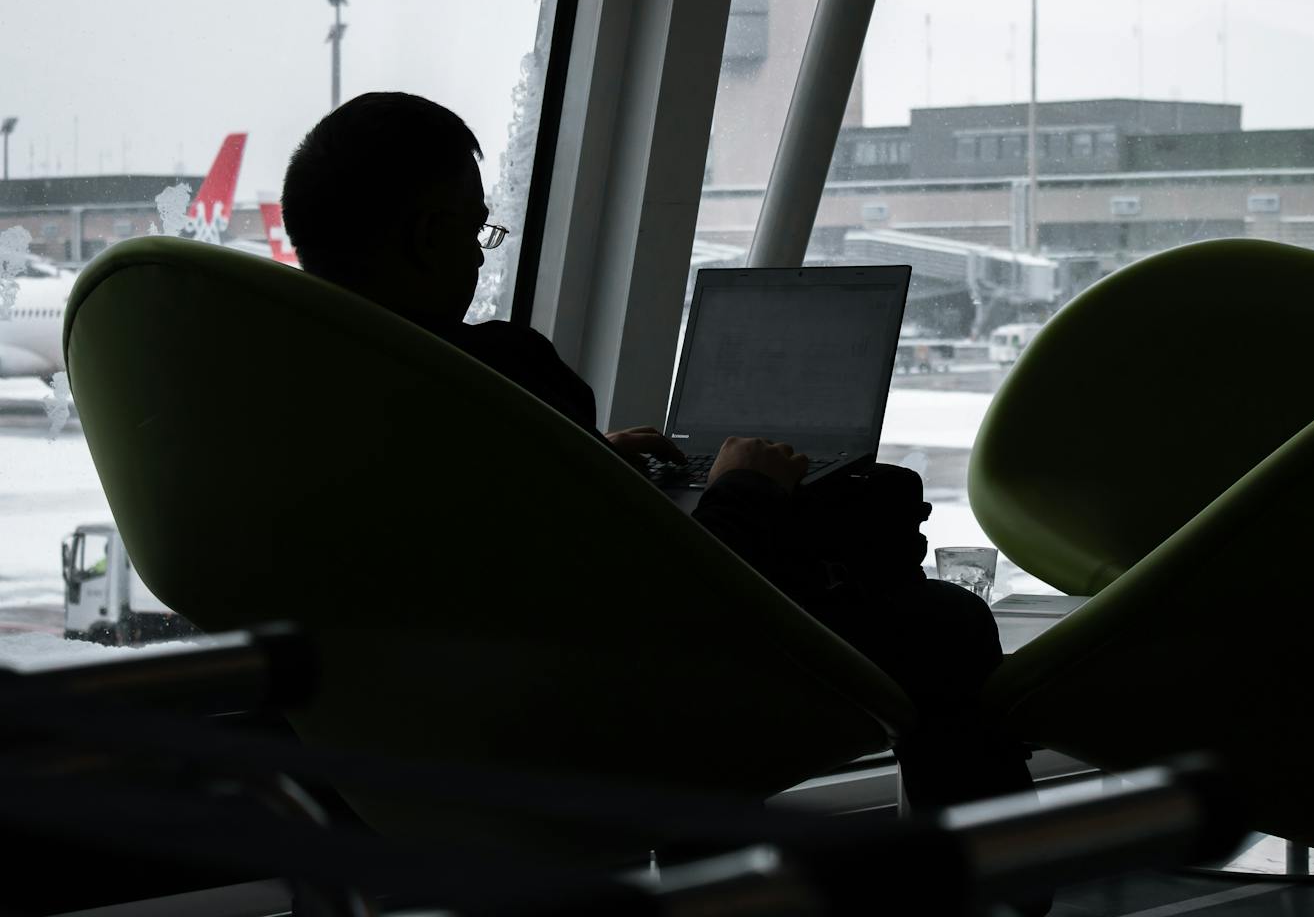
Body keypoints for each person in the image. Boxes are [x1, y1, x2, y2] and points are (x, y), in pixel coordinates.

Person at [278, 92, 1033, 815]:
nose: (481, 258)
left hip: (395, 718)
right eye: (476, 231)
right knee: (945, 622)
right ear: (428, 236)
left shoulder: (287, 390)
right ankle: (998, 883)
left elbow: (471, 528)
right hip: (586, 716)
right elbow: (675, 613)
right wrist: (744, 488)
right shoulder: (498, 374)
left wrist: (586, 461)